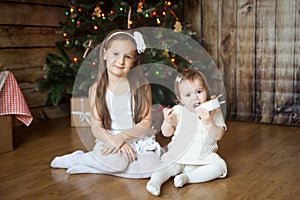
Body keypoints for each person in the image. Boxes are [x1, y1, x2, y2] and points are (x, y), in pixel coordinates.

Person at [51, 30, 161, 178]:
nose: (120, 61)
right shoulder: (96, 89)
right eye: (115, 54)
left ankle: (92, 166)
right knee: (117, 162)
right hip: (109, 139)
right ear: (104, 54)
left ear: (134, 61)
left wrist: (122, 137)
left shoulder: (141, 85)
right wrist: (114, 140)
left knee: (151, 169)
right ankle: (79, 158)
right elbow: (96, 126)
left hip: (138, 139)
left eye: (127, 57)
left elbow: (145, 122)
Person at [146, 68, 227, 196]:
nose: (195, 98)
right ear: (180, 99)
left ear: (206, 91)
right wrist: (167, 122)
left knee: (220, 167)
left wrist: (209, 122)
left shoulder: (213, 111)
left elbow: (218, 135)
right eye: (188, 95)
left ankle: (187, 177)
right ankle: (155, 181)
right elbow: (166, 133)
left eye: (199, 92)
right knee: (167, 165)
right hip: (179, 156)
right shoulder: (178, 111)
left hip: (202, 157)